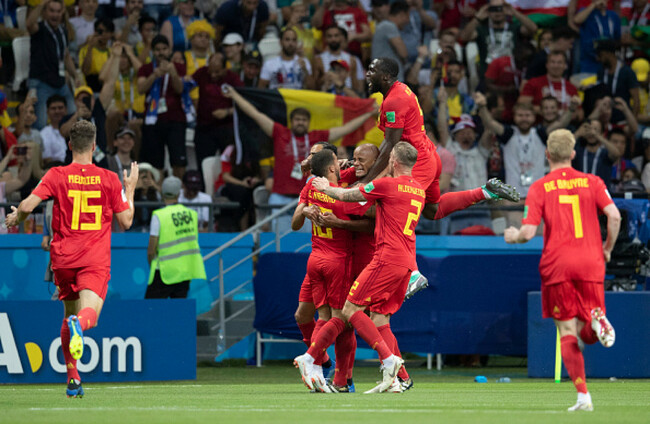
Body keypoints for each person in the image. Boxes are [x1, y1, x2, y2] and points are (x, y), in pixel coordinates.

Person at [3, 120, 138, 397]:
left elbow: (28, 204)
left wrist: (18, 216)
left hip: (63, 261)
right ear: (94, 146)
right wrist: (131, 188)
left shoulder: (56, 174)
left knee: (68, 314)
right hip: (93, 259)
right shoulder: (109, 178)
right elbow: (126, 221)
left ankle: (73, 379)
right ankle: (80, 326)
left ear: (69, 145)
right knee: (88, 317)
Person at [295, 142, 425, 394]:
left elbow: (350, 202)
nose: (355, 163)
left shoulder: (382, 186)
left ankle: (321, 363)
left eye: (361, 159)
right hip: (389, 260)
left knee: (346, 314)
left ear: (386, 162)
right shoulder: (415, 188)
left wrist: (323, 192)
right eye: (352, 158)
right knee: (372, 320)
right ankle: (393, 377)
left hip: (374, 259)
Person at [504, 129, 620, 412]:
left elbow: (528, 232)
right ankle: (597, 322)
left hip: (558, 264)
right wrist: (607, 249)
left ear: (547, 155)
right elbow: (614, 216)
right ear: (573, 154)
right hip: (591, 262)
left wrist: (513, 235)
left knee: (567, 330)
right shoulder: (593, 181)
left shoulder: (540, 187)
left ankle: (583, 396)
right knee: (586, 329)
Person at [221, 83, 377, 234]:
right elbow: (256, 115)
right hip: (279, 197)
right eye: (297, 119)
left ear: (308, 123)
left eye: (303, 120)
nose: (300, 122)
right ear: (291, 122)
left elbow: (344, 129)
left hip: (309, 197)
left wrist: (368, 114)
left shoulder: (317, 137)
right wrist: (234, 95)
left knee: (305, 241)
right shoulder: (280, 133)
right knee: (279, 241)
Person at [291, 148, 372, 393]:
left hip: (315, 258)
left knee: (324, 318)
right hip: (338, 261)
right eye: (338, 161)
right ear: (331, 168)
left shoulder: (311, 186)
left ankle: (319, 372)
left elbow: (296, 221)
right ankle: (316, 361)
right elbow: (370, 222)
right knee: (343, 320)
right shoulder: (344, 195)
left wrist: (306, 209)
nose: (345, 163)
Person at [146, 175, 206, 298]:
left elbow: (151, 250)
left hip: (163, 272)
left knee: (151, 308)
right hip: (184, 271)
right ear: (179, 193)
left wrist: (152, 264)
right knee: (179, 308)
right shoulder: (192, 214)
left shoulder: (159, 216)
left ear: (163, 193)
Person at [137, 35, 187, 178]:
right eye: (157, 49)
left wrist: (173, 73)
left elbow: (180, 89)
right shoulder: (146, 69)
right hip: (153, 120)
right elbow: (141, 88)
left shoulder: (179, 67)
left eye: (164, 49)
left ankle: (178, 188)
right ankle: (157, 190)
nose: (161, 52)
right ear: (153, 51)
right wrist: (154, 75)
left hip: (176, 119)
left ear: (169, 50)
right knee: (154, 162)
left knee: (178, 161)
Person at [27, 0, 78, 129]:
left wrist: (76, 76)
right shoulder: (39, 29)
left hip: (59, 82)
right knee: (41, 124)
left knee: (74, 115)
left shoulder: (63, 31)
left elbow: (66, 56)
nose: (55, 15)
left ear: (62, 13)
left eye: (58, 11)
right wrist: (41, 4)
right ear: (44, 12)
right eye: (51, 11)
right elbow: (29, 24)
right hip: (41, 82)